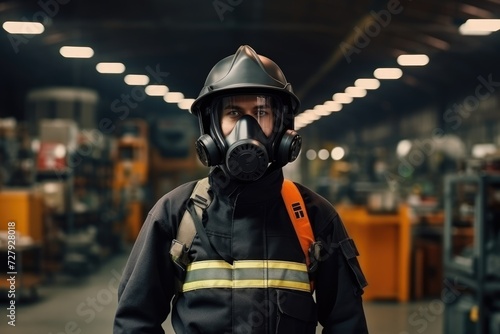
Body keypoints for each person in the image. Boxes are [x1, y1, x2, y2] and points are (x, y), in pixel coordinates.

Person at [113, 45, 369, 333]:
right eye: (234, 113)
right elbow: (135, 321)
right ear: (212, 128)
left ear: (282, 125)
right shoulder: (175, 214)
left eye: (261, 112)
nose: (247, 128)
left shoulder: (314, 216)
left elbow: (347, 324)